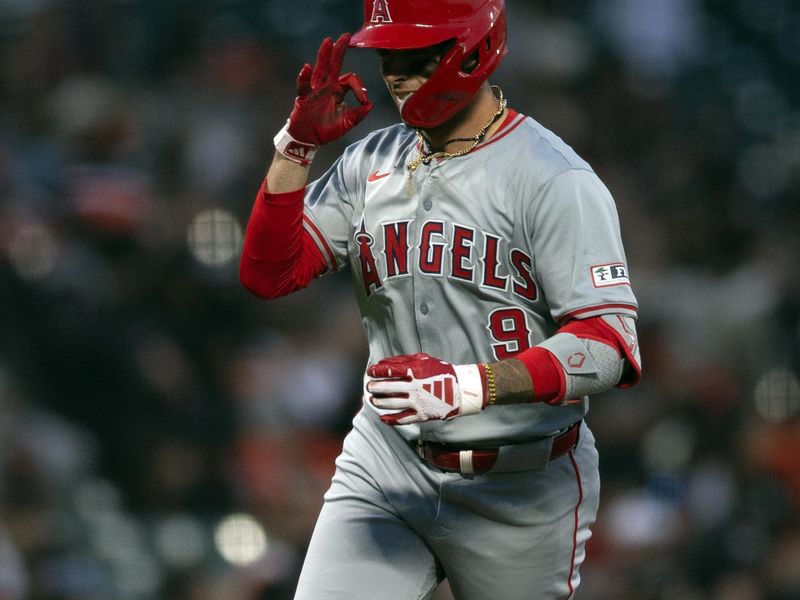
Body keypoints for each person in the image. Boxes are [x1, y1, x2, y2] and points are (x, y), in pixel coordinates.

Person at [240, 1, 641, 598]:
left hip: (521, 484)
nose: (396, 72)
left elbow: (610, 347)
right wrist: (295, 146)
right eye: (388, 55)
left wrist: (470, 386)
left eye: (417, 54)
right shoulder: (369, 162)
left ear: (476, 49)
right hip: (387, 462)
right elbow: (269, 273)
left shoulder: (554, 179)